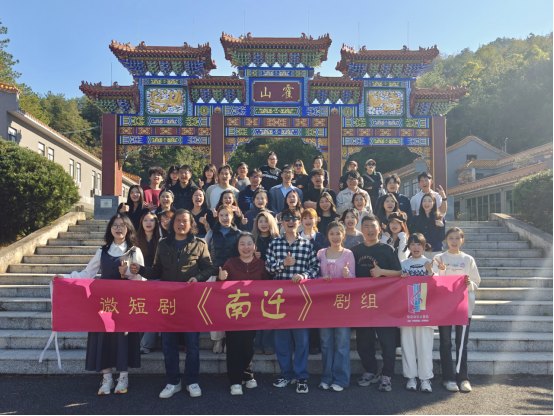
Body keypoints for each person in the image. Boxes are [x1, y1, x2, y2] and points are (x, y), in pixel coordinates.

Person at [53, 214, 145, 395]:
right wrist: (65, 277)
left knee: (123, 337)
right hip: (104, 302)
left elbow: (142, 280)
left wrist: (129, 273)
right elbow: (87, 273)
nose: (118, 228)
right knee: (103, 337)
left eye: (122, 225)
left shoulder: (135, 251)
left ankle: (123, 377)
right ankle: (107, 378)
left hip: (125, 303)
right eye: (115, 225)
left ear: (128, 228)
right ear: (110, 229)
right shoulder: (102, 251)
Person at [130, 209, 216, 399]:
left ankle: (192, 381)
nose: (181, 224)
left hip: (191, 302)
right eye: (178, 220)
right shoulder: (163, 244)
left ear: (191, 224)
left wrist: (198, 277)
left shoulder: (199, 244)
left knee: (192, 344)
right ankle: (173, 381)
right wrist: (141, 270)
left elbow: (209, 268)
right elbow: (157, 271)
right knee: (168, 344)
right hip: (168, 302)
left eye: (185, 221)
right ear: (172, 223)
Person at [265, 208, 320, 394]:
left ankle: (301, 376)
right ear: (281, 222)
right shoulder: (274, 244)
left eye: (294, 218)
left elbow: (315, 268)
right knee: (282, 340)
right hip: (279, 301)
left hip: (300, 300)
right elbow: (268, 268)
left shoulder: (307, 245)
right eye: (287, 218)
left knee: (302, 340)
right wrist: (284, 264)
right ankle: (286, 374)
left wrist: (304, 275)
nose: (290, 221)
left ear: (299, 222)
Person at [351, 215, 402, 393]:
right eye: (366, 226)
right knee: (364, 341)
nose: (370, 230)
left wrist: (382, 272)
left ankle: (387, 375)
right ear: (361, 230)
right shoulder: (354, 251)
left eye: (373, 226)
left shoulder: (387, 249)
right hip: (362, 303)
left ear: (379, 229)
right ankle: (371, 371)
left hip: (385, 303)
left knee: (388, 342)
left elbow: (399, 273)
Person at [219, 232, 271, 396]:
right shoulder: (230, 263)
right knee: (234, 346)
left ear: (255, 246)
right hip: (233, 313)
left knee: (248, 346)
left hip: (253, 313)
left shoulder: (261, 264)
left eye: (249, 244)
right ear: (237, 247)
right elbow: (220, 288)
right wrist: (221, 279)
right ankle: (235, 381)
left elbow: (268, 286)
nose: (246, 247)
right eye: (242, 244)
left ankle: (247, 375)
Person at [433, 227, 481, 394]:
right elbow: (434, 280)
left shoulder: (468, 259)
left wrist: (469, 283)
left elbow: (476, 282)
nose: (454, 241)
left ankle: (463, 378)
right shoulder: (439, 258)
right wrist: (440, 271)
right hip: (444, 307)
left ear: (462, 240)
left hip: (463, 306)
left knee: (461, 344)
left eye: (457, 238)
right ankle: (448, 378)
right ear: (446, 240)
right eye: (451, 238)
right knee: (445, 343)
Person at [317, 221, 355, 392]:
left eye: (338, 233)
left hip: (342, 305)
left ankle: (341, 379)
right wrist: (321, 279)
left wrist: (347, 275)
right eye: (332, 233)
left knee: (342, 343)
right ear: (327, 235)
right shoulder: (320, 253)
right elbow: (314, 276)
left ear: (343, 235)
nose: (335, 237)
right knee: (325, 342)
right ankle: (326, 377)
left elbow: (354, 280)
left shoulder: (348, 254)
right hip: (324, 305)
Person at [400, 233, 437, 393]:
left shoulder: (430, 262)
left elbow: (437, 287)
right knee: (407, 344)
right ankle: (410, 377)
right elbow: (396, 287)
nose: (416, 247)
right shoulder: (403, 263)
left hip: (426, 310)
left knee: (425, 346)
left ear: (424, 246)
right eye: (413, 244)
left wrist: (431, 273)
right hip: (406, 310)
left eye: (419, 244)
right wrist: (401, 278)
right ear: (409, 246)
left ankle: (425, 379)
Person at [205, 205, 242, 354]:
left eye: (227, 215)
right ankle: (217, 340)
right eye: (221, 215)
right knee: (216, 309)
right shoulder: (211, 233)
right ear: (217, 217)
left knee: (232, 308)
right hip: (214, 274)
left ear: (232, 216)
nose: (224, 218)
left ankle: (229, 339)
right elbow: (205, 253)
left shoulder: (238, 233)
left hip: (233, 275)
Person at [300, 208, 330, 356]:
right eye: (305, 218)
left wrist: (311, 242)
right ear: (301, 220)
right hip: (301, 280)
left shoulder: (321, 237)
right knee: (303, 312)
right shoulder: (297, 236)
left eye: (311, 218)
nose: (308, 221)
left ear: (316, 219)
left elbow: (325, 252)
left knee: (316, 312)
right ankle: (302, 345)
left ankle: (316, 344)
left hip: (319, 278)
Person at [251, 211, 280, 356]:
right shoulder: (252, 239)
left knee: (270, 312)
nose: (263, 224)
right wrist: (252, 256)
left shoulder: (277, 240)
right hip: (256, 280)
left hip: (272, 280)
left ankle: (268, 343)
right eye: (260, 221)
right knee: (257, 312)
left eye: (266, 221)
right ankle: (257, 343)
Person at [136, 212, 162, 355]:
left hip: (156, 280)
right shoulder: (135, 240)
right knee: (140, 311)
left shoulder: (161, 240)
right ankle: (137, 339)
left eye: (151, 220)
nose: (148, 223)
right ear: (141, 222)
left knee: (154, 312)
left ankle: (147, 344)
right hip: (139, 280)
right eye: (145, 220)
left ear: (156, 223)